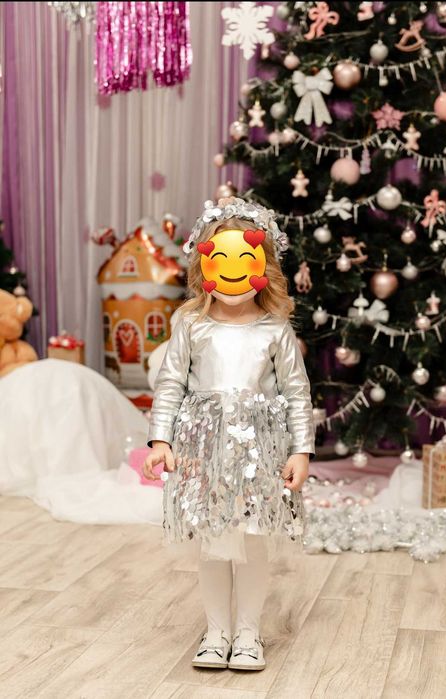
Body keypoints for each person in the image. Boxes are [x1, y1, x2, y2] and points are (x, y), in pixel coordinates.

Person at [143, 197, 314, 671]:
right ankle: (217, 631)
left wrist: (301, 450)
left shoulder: (274, 329)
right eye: (221, 260)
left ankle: (248, 633)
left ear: (262, 265)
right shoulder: (192, 325)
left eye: (244, 259)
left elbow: (297, 392)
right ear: (204, 266)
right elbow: (171, 383)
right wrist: (161, 440)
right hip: (204, 452)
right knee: (214, 541)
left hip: (259, 454)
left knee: (253, 540)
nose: (233, 273)